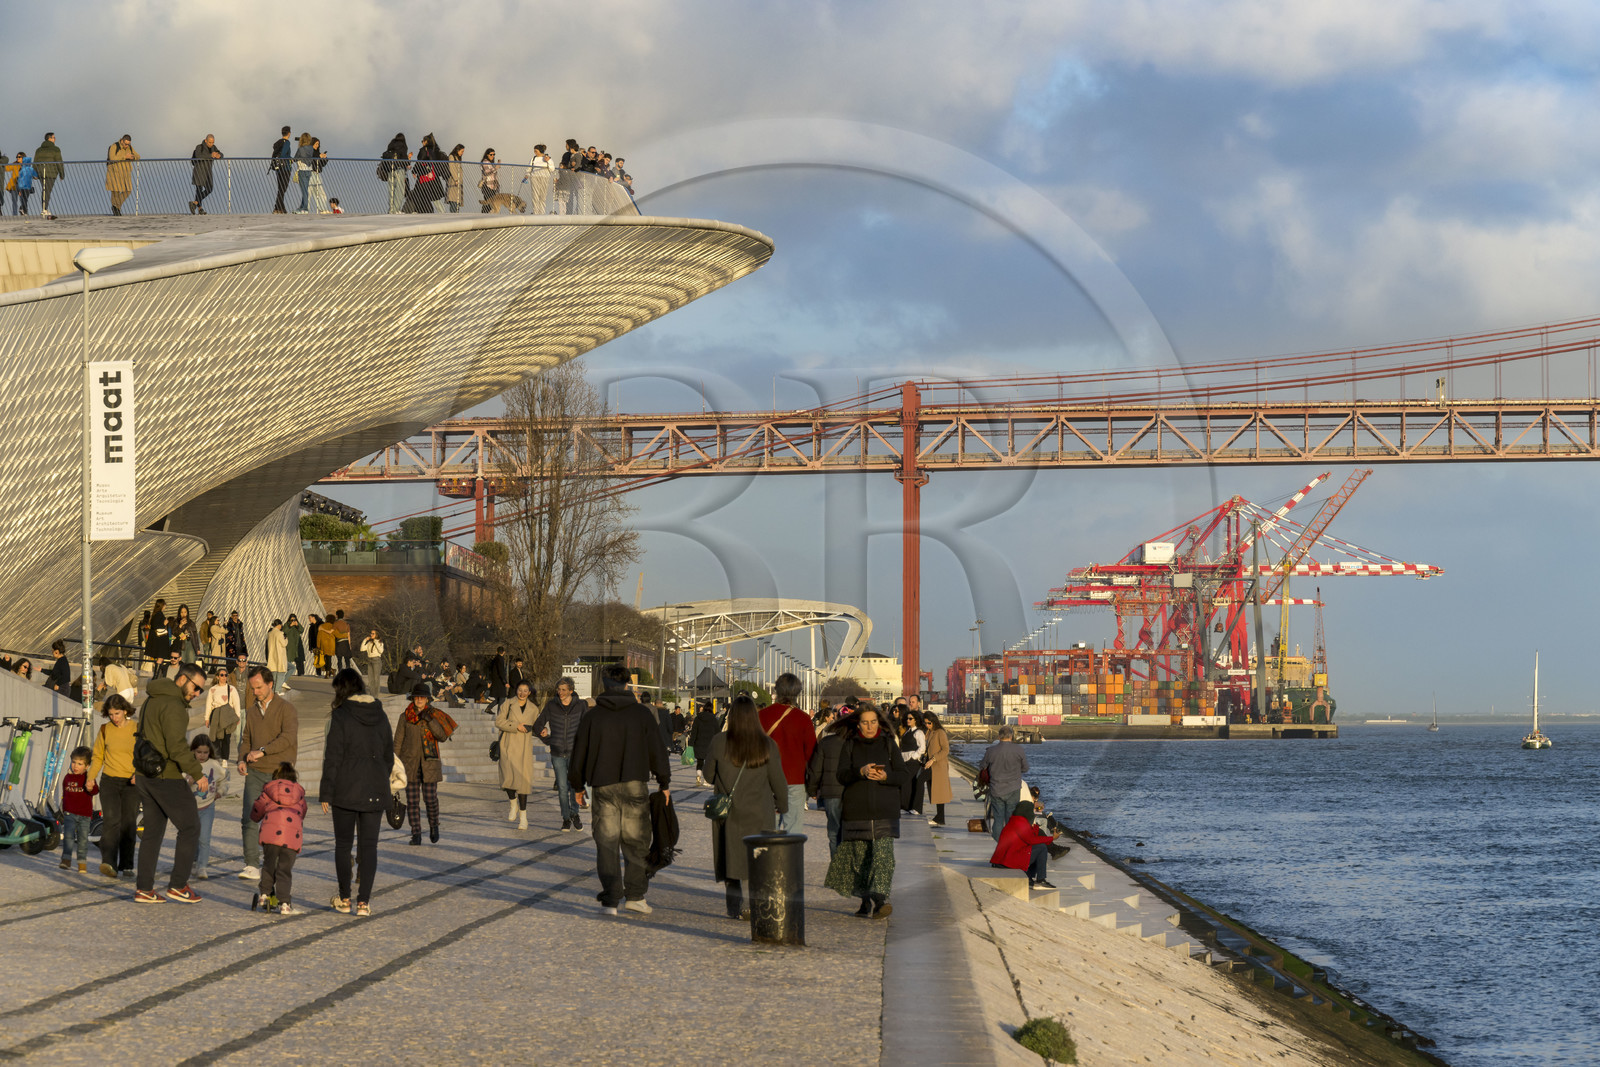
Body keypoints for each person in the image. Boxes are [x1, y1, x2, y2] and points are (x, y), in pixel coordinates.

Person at [568, 663, 671, 915]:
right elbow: (657, 750)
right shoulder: (642, 714)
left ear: (604, 685)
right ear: (627, 685)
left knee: (607, 842)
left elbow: (579, 753)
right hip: (635, 782)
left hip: (603, 784)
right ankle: (635, 896)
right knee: (636, 841)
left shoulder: (593, 716)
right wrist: (664, 782)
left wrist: (577, 786)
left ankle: (611, 899)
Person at [133, 663, 210, 904]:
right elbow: (176, 746)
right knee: (190, 827)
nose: (197, 693)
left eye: (201, 691)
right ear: (182, 679)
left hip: (146, 774)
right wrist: (198, 773)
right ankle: (177, 885)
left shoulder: (153, 698)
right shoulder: (174, 705)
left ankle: (144, 889)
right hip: (166, 775)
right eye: (196, 687)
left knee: (152, 833)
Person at [320, 668, 393, 917]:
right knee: (369, 846)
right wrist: (380, 776)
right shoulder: (380, 714)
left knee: (343, 845)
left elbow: (333, 757)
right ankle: (364, 903)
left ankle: (345, 898)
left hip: (345, 790)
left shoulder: (341, 716)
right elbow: (388, 755)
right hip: (375, 788)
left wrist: (326, 793)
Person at [705, 695, 787, 919]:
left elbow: (709, 775)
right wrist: (783, 805)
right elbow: (778, 781)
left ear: (731, 716)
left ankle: (734, 907)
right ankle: (754, 905)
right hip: (760, 811)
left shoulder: (719, 741)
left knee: (731, 856)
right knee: (757, 860)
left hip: (728, 812)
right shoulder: (767, 744)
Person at [824, 705, 906, 919]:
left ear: (879, 723)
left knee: (884, 857)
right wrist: (859, 772)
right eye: (865, 722)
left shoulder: (889, 744)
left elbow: (903, 775)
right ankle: (865, 901)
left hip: (885, 810)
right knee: (860, 861)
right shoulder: (850, 745)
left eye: (873, 722)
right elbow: (841, 775)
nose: (869, 727)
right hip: (856, 810)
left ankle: (880, 901)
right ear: (857, 724)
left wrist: (886, 776)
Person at [236, 667, 298, 882]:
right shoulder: (252, 712)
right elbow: (245, 739)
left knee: (279, 823)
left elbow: (288, 738)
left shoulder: (286, 709)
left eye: (259, 687)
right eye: (253, 688)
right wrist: (242, 759)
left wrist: (262, 751)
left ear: (271, 684)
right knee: (249, 818)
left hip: (279, 775)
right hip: (255, 773)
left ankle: (277, 864)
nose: (255, 692)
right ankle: (251, 864)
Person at [758, 673, 816, 835]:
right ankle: (791, 859)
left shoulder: (762, 716)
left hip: (766, 780)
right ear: (797, 693)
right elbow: (811, 753)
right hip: (795, 781)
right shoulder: (803, 719)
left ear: (776, 690)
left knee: (768, 831)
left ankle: (768, 859)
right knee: (793, 831)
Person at [90, 694, 138, 879]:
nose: (114, 718)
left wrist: (138, 774)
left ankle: (126, 865)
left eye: (117, 713)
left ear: (125, 711)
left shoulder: (137, 728)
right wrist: (90, 778)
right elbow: (97, 757)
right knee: (111, 821)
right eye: (110, 714)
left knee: (128, 823)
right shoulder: (104, 730)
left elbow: (144, 754)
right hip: (109, 780)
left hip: (131, 783)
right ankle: (108, 863)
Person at [250, 762, 306, 914]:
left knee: (269, 865)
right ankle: (285, 903)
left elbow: (257, 808)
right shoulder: (299, 794)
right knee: (284, 870)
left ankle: (264, 894)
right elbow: (302, 813)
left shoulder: (269, 790)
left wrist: (254, 818)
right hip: (291, 837)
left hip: (271, 835)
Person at [533, 676, 588, 831]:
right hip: (557, 753)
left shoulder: (581, 705)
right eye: (559, 690)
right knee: (563, 788)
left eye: (564, 690)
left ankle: (575, 814)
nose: (560, 692)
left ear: (571, 690)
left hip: (575, 753)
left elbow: (588, 727)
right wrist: (548, 738)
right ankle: (565, 818)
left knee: (575, 786)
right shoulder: (551, 706)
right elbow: (538, 725)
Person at [395, 684, 445, 845]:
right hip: (409, 763)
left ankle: (434, 825)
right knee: (412, 801)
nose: (419, 700)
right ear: (413, 699)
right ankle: (415, 833)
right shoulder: (405, 717)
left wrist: (430, 721)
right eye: (417, 697)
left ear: (427, 699)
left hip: (429, 763)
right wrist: (394, 762)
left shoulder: (434, 715)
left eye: (422, 697)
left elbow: (442, 735)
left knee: (430, 799)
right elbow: (398, 741)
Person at [495, 681, 539, 830]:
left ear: (529, 692)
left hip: (524, 748)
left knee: (523, 783)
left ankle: (524, 818)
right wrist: (515, 726)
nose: (522, 693)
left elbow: (537, 726)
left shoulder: (534, 709)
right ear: (516, 690)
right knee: (508, 779)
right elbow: (499, 721)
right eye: (520, 690)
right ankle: (512, 802)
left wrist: (544, 732)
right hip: (508, 744)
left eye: (525, 690)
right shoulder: (508, 704)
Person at [806, 713, 850, 855]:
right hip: (852, 792)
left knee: (833, 832)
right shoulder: (856, 742)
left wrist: (812, 790)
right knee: (849, 831)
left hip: (831, 793)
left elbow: (816, 768)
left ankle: (836, 866)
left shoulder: (826, 742)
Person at [990, 800, 1059, 889]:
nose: (1032, 813)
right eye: (1031, 810)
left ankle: (1029, 878)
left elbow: (1027, 836)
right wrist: (1052, 838)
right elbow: (1030, 840)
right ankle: (1040, 880)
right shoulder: (1020, 822)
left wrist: (1035, 829)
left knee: (1037, 847)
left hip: (1004, 859)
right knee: (1041, 848)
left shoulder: (1016, 819)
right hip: (1007, 861)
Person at [187, 733, 229, 879]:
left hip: (207, 807)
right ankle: (193, 862)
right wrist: (188, 781)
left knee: (204, 838)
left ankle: (202, 866)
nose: (202, 755)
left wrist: (220, 791)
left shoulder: (214, 765)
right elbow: (179, 782)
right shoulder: (188, 764)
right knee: (192, 838)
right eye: (199, 752)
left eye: (205, 752)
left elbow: (224, 779)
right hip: (190, 807)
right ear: (193, 751)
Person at [979, 726, 1030, 841]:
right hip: (1013, 788)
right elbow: (1025, 768)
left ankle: (996, 844)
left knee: (998, 818)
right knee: (1011, 817)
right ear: (1011, 736)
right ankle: (1010, 842)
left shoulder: (991, 751)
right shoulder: (1019, 750)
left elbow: (982, 766)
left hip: (996, 788)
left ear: (999, 737)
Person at [58, 746, 98, 874]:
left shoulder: (88, 778)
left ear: (86, 766)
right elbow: (65, 794)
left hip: (85, 815)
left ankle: (82, 863)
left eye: (80, 764)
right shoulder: (67, 778)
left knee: (82, 839)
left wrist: (91, 787)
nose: (76, 766)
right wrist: (65, 810)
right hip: (70, 813)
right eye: (74, 762)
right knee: (68, 837)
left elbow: (96, 791)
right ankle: (66, 860)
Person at [923, 711, 953, 826]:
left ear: (934, 721)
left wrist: (933, 759)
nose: (927, 725)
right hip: (930, 765)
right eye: (925, 723)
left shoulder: (940, 732)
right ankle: (939, 817)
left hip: (938, 766)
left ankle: (939, 817)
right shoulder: (930, 732)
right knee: (936, 791)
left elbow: (945, 750)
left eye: (929, 723)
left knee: (938, 791)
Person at [896, 707, 926, 814]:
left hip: (913, 762)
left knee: (909, 783)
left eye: (910, 718)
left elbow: (922, 747)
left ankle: (910, 807)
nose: (908, 720)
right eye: (907, 718)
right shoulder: (907, 731)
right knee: (906, 783)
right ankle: (905, 806)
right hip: (905, 760)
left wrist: (914, 756)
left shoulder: (919, 733)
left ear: (916, 720)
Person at [104, 134, 138, 216]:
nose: (127, 146)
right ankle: (116, 210)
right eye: (125, 144)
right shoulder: (114, 146)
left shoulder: (130, 148)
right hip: (114, 172)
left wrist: (132, 157)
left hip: (125, 173)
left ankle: (116, 207)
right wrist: (125, 156)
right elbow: (112, 158)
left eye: (128, 144)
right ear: (122, 141)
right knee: (115, 191)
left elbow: (138, 156)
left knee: (128, 190)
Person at [689, 701, 721, 786]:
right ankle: (706, 781)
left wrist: (690, 744)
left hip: (699, 743)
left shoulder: (698, 718)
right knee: (708, 763)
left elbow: (694, 732)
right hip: (710, 744)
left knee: (700, 761)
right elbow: (718, 732)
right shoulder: (713, 719)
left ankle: (698, 775)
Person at [34, 132, 63, 220]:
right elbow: (59, 162)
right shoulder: (56, 149)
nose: (55, 139)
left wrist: (34, 173)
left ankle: (44, 208)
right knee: (47, 190)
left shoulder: (39, 150)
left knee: (44, 189)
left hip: (41, 172)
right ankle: (44, 209)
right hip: (51, 173)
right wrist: (62, 174)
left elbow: (35, 162)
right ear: (49, 139)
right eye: (54, 138)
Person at [189, 134, 221, 215]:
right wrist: (211, 155)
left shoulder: (214, 147)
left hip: (208, 171)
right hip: (199, 171)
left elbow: (221, 153)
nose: (211, 144)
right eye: (210, 142)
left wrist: (219, 155)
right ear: (205, 140)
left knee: (209, 189)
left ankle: (195, 203)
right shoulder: (199, 147)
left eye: (212, 142)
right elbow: (199, 155)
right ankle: (200, 209)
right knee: (199, 190)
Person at [381, 133, 408, 213]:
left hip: (390, 169)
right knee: (399, 190)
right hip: (399, 169)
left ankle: (391, 209)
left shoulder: (391, 144)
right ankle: (396, 209)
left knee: (391, 190)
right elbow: (404, 158)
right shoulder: (403, 145)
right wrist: (408, 164)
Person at [270, 125, 293, 214]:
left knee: (281, 189)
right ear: (289, 133)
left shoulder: (278, 142)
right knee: (283, 189)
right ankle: (277, 208)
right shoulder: (286, 142)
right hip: (286, 167)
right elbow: (283, 154)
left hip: (278, 168)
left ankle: (281, 209)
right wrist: (291, 158)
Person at [292, 132, 315, 213]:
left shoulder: (300, 149)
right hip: (309, 170)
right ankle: (301, 206)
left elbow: (295, 159)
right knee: (305, 189)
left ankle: (305, 208)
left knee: (304, 190)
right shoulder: (311, 148)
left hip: (302, 170)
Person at [360, 627, 384, 695]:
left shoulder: (379, 642)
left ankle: (375, 695)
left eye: (373, 634)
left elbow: (381, 651)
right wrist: (365, 640)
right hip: (370, 660)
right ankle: (372, 694)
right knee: (371, 679)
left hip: (376, 660)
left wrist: (376, 641)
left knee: (376, 679)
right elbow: (362, 649)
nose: (371, 635)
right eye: (371, 633)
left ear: (376, 635)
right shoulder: (370, 643)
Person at [446, 143, 465, 212]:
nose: (462, 153)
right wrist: (456, 179)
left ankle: (456, 215)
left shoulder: (458, 158)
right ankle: (453, 217)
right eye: (462, 151)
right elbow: (452, 168)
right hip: (454, 182)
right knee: (453, 201)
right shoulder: (452, 156)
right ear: (458, 150)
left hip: (458, 182)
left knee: (457, 202)